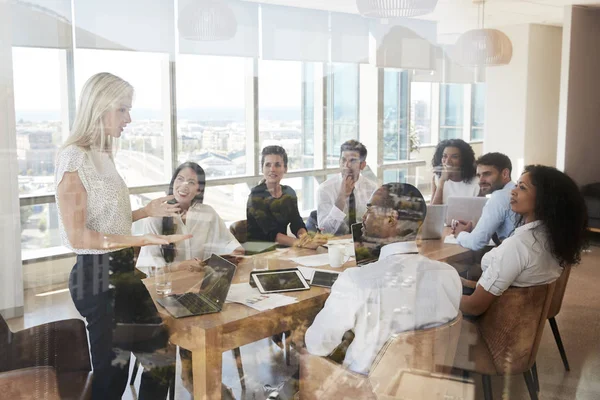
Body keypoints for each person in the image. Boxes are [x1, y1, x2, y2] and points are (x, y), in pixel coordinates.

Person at [55, 72, 190, 399]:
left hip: (123, 273)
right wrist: (141, 240)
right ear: (100, 108)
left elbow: (108, 223)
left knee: (160, 356)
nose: (129, 118)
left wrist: (146, 213)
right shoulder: (73, 157)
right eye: (123, 110)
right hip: (95, 277)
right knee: (112, 377)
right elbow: (79, 237)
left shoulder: (104, 156)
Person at [305, 183, 462, 374]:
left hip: (363, 390)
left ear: (391, 218)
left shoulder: (356, 281)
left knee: (305, 351)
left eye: (370, 209)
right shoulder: (449, 275)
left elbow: (318, 345)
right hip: (430, 386)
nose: (364, 216)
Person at [460, 165, 588, 317]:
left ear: (544, 199)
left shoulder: (518, 246)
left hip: (493, 327)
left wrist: (439, 296)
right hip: (524, 321)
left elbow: (474, 306)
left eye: (522, 188)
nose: (512, 191)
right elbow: (512, 282)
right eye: (516, 186)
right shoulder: (554, 239)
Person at [136, 161, 243, 273]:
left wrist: (236, 251)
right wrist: (179, 266)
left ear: (199, 190)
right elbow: (151, 268)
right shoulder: (156, 216)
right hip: (167, 285)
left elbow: (228, 244)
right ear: (173, 183)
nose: (184, 185)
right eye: (180, 179)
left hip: (199, 281)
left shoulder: (207, 213)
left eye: (191, 182)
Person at [247, 145, 321, 248]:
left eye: (277, 165)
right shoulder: (256, 195)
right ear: (262, 168)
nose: (272, 169)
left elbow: (297, 223)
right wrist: (300, 243)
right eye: (268, 165)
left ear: (285, 168)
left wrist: (305, 238)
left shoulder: (289, 193)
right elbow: (271, 233)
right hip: (259, 253)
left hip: (282, 250)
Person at [453, 152, 518, 250]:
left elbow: (477, 243)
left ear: (505, 174)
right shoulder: (516, 191)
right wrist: (475, 230)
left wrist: (460, 234)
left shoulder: (499, 196)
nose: (481, 180)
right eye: (479, 175)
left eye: (487, 174)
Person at [316, 140, 378, 235]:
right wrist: (341, 198)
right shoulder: (325, 189)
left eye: (352, 161)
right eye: (343, 160)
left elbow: (376, 225)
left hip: (364, 243)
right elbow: (325, 232)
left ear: (362, 165)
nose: (347, 166)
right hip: (335, 244)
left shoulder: (372, 189)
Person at [431, 139, 480, 205]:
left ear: (464, 160)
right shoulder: (436, 178)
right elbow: (434, 211)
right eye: (445, 156)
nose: (448, 161)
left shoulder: (477, 182)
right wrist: (441, 182)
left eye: (454, 157)